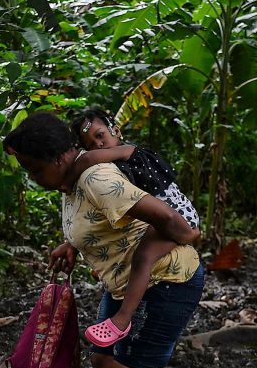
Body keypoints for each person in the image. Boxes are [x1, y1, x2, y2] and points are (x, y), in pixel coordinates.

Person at [4, 112, 244, 368]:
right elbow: (102, 221)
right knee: (104, 367)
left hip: (167, 280)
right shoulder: (71, 184)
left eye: (34, 169)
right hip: (123, 284)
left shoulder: (97, 178)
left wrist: (159, 245)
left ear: (57, 159)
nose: (33, 178)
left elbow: (174, 221)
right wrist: (72, 245)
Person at [66, 108, 199, 347]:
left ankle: (122, 319)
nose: (99, 145)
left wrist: (65, 182)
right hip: (163, 216)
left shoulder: (128, 151)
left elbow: (86, 160)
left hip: (178, 215)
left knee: (143, 257)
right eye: (91, 142)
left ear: (115, 129)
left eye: (100, 135)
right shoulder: (111, 165)